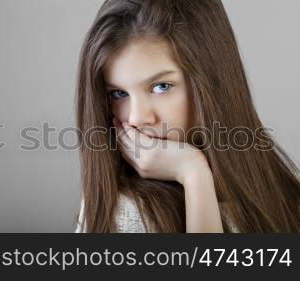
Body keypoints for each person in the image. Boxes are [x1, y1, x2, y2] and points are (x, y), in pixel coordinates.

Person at [74, 0, 300, 233]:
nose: (137, 118)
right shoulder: (122, 210)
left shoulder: (287, 193)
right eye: (119, 93)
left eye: (161, 86)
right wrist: (193, 174)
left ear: (212, 82)